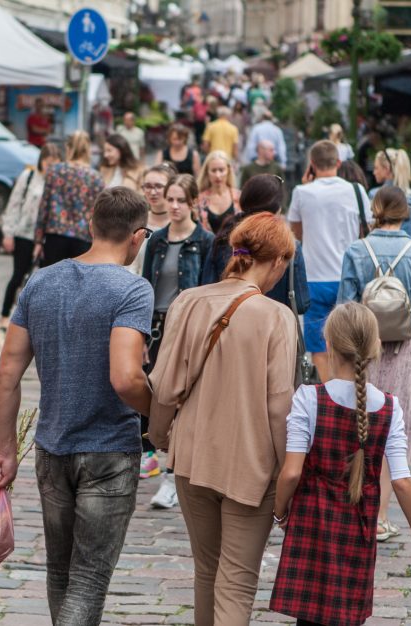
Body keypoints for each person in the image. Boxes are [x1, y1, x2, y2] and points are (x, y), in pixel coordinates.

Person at [0, 187, 154, 625]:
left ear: (90, 225)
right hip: (109, 451)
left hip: (52, 447)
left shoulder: (41, 280)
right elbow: (126, 378)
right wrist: (159, 413)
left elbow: (7, 372)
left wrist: (7, 449)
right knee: (88, 580)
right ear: (137, 237)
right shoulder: (133, 289)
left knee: (60, 575)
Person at [149, 212, 297, 626]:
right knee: (236, 583)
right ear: (279, 261)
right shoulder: (276, 317)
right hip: (251, 468)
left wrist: (160, 436)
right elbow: (279, 407)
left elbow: (163, 388)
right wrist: (290, 470)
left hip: (192, 458)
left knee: (206, 574)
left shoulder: (189, 301)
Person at [270, 302, 411, 626]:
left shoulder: (309, 398)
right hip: (358, 527)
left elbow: (291, 472)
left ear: (330, 345)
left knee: (309, 618)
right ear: (374, 347)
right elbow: (402, 482)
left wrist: (280, 512)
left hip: (312, 523)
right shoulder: (390, 408)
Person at [338, 186, 411, 542]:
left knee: (359, 426)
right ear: (407, 214)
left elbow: (345, 307)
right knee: (392, 431)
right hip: (404, 349)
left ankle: (352, 507)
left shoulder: (356, 250)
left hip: (363, 347)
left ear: (375, 210)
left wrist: (343, 352)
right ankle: (381, 517)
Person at [140, 174, 214, 508]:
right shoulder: (156, 240)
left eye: (180, 200)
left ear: (193, 203)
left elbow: (210, 291)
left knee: (186, 399)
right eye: (169, 199)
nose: (172, 206)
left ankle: (175, 476)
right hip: (157, 326)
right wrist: (140, 333)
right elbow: (144, 287)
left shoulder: (206, 241)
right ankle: (161, 462)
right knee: (159, 396)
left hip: (189, 328)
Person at [289, 139, 371, 382]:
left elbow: (296, 234)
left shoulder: (302, 192)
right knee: (350, 340)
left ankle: (328, 395)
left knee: (319, 346)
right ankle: (349, 390)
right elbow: (366, 230)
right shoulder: (356, 190)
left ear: (312, 165)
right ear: (338, 162)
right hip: (348, 275)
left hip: (314, 276)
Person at [202, 173, 310, 315]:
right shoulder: (289, 244)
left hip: (227, 327)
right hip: (273, 327)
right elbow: (301, 303)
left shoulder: (223, 239)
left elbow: (207, 290)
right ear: (277, 208)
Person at [0, 145, 62, 330]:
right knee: (18, 275)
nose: (50, 167)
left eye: (54, 163)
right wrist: (8, 233)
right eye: (47, 162)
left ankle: (36, 319)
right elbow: (14, 204)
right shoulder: (28, 177)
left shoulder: (61, 183)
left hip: (48, 237)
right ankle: (4, 315)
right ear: (41, 161)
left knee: (45, 281)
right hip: (24, 234)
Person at [34, 130, 105, 266]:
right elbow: (98, 213)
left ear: (68, 148)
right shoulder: (96, 177)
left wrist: (38, 239)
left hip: (55, 235)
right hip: (83, 238)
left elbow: (44, 207)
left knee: (53, 282)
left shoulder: (55, 171)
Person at [128, 163, 177, 275]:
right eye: (148, 186)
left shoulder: (177, 225)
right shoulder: (135, 221)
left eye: (159, 186)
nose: (152, 192)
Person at [370, 148, 411, 241]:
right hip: (406, 252)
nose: (374, 172)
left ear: (386, 169)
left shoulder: (374, 195)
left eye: (376, 168)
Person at [196, 151, 241, 234]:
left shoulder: (239, 197)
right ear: (207, 172)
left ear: (228, 170)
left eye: (221, 170)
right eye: (213, 170)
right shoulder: (199, 199)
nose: (218, 175)